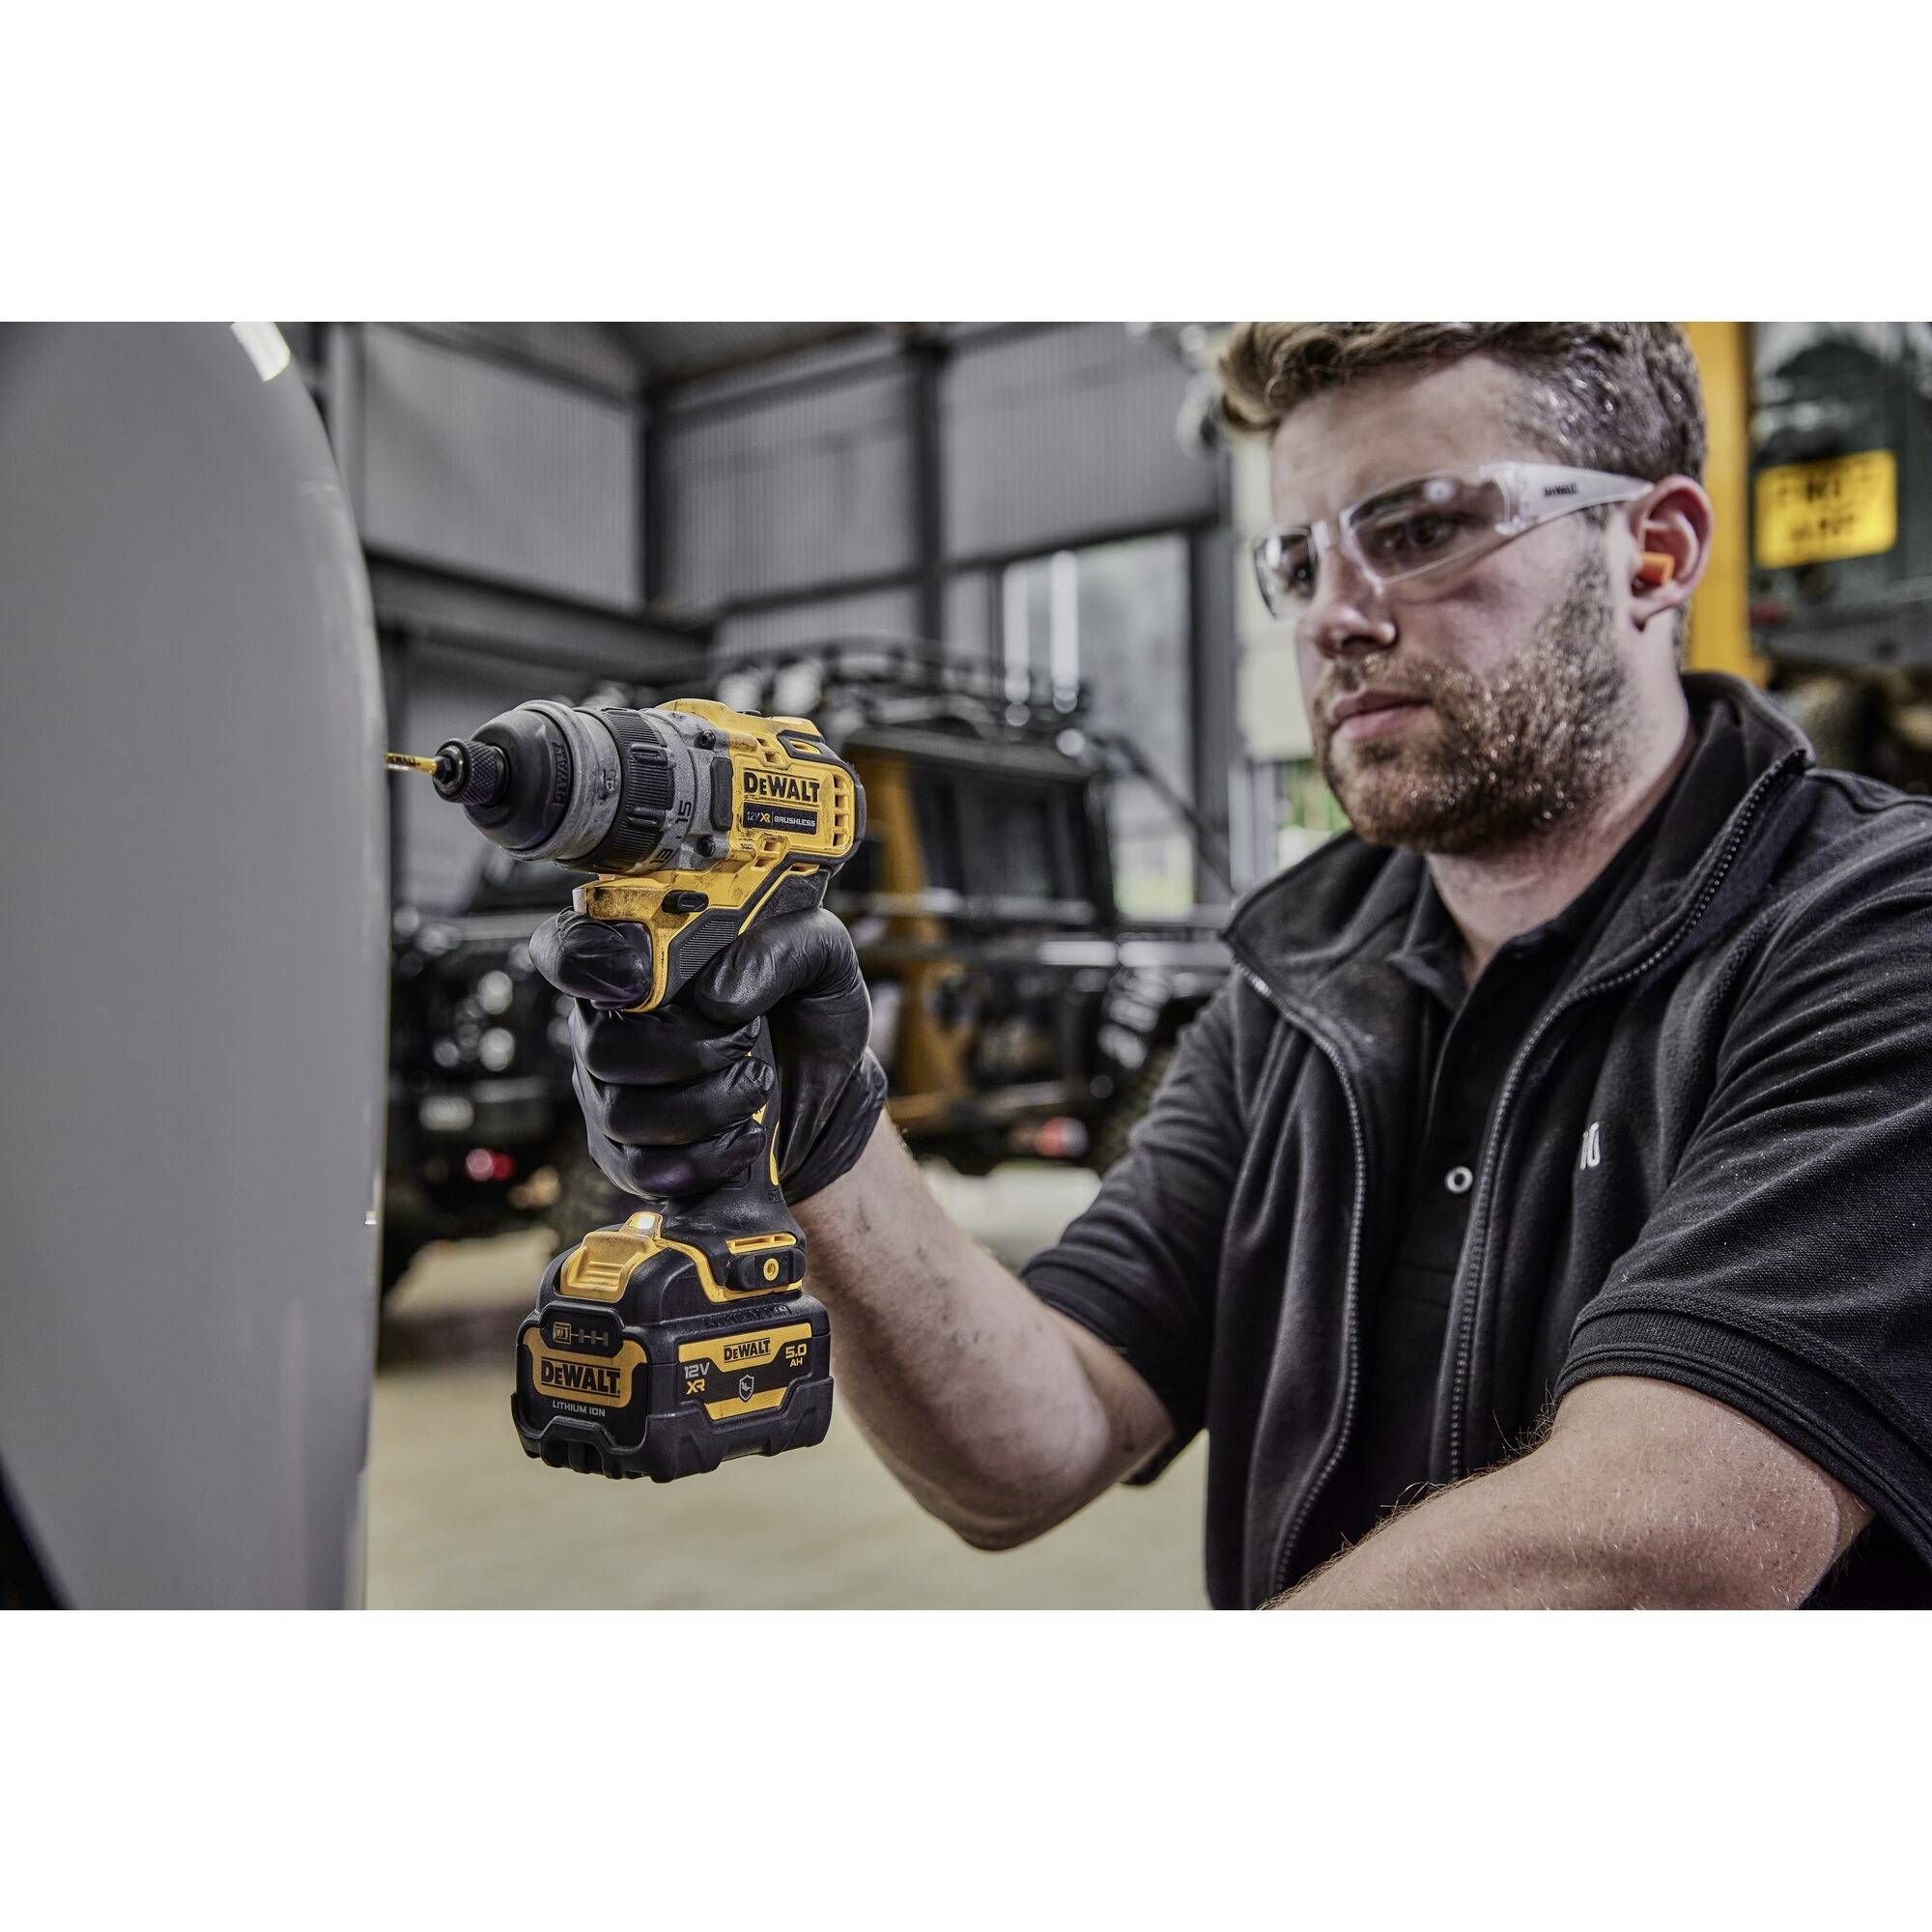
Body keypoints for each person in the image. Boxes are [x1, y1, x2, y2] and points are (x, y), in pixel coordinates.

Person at [534, 324, 1932, 1608]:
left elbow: (1658, 1543)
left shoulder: (1876, 928)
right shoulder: (1293, 984)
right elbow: (1038, 1443)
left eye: (1424, 526)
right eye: (1301, 562)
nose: (1337, 616)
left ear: (1656, 551)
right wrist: (823, 1140)